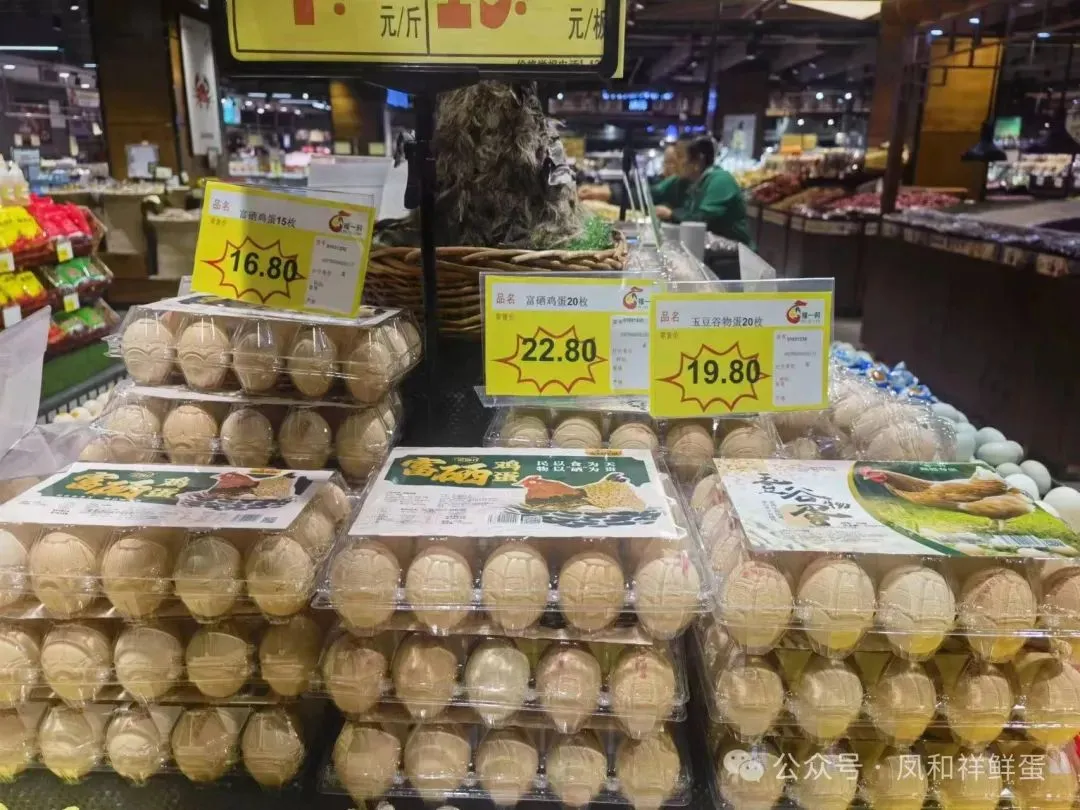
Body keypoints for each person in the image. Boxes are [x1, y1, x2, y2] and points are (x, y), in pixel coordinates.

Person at [656, 135, 754, 247]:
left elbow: (701, 219)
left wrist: (670, 214)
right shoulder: (694, 182)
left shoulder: (721, 180)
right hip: (713, 248)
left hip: (737, 253)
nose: (677, 162)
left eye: (681, 157)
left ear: (698, 161)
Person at [650, 142, 690, 211]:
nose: (667, 167)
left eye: (672, 162)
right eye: (665, 162)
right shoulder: (659, 180)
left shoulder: (686, 185)